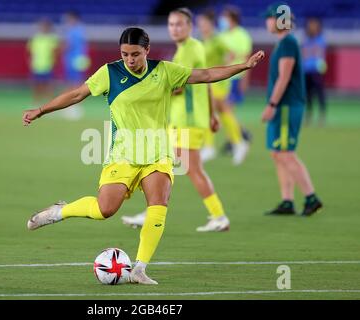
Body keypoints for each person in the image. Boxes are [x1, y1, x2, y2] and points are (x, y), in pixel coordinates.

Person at [22, 27, 264, 284]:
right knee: (105, 209)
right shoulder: (110, 73)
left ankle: (139, 269)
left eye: (135, 54)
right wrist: (42, 109)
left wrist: (243, 66)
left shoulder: (165, 71)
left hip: (158, 153)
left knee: (158, 206)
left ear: (147, 50)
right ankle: (61, 211)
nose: (130, 59)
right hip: (124, 154)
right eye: (125, 54)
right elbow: (76, 94)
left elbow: (205, 75)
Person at [121, 8, 230, 232]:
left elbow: (178, 88)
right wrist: (211, 114)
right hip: (190, 119)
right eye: (171, 24)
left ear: (190, 26)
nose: (175, 28)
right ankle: (152, 210)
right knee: (164, 165)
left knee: (188, 169)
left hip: (186, 120)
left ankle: (218, 216)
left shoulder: (187, 51)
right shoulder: (195, 47)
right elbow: (206, 80)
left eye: (179, 24)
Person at [262, 3, 323, 216]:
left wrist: (272, 105)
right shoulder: (284, 43)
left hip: (286, 106)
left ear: (279, 21)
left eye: (270, 18)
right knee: (277, 153)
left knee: (286, 153)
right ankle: (287, 201)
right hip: (284, 105)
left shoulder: (287, 43)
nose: (267, 22)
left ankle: (311, 197)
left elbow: (284, 76)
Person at [218, 6, 253, 165]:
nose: (222, 20)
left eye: (224, 17)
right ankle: (237, 138)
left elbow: (246, 59)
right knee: (225, 110)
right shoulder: (222, 35)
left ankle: (238, 139)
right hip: (224, 78)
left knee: (226, 110)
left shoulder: (242, 35)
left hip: (236, 78)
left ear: (232, 18)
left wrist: (245, 81)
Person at [196, 9, 231, 162]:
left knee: (209, 112)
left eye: (203, 23)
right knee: (216, 112)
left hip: (217, 82)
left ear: (210, 24)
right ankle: (238, 141)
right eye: (199, 23)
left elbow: (230, 54)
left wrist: (222, 69)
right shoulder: (203, 40)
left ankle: (209, 147)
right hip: (207, 82)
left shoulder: (217, 39)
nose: (201, 26)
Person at [59, 11, 90, 120]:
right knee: (76, 83)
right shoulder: (81, 29)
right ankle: (74, 107)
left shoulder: (73, 30)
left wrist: (61, 50)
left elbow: (68, 44)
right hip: (79, 60)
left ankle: (73, 107)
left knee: (73, 83)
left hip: (74, 60)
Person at [27, 18, 60, 105]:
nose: (43, 28)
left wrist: (54, 62)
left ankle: (50, 103)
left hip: (48, 65)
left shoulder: (52, 38)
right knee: (36, 85)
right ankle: (36, 102)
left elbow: (55, 51)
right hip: (36, 65)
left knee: (49, 85)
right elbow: (30, 51)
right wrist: (30, 61)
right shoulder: (36, 38)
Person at [302, 17, 327, 126]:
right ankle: (309, 115)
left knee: (320, 94)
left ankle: (322, 115)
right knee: (308, 95)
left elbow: (319, 54)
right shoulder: (306, 40)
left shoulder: (320, 40)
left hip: (316, 70)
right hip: (306, 70)